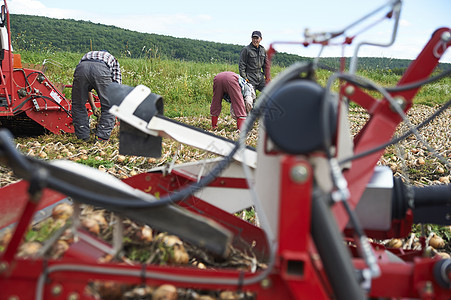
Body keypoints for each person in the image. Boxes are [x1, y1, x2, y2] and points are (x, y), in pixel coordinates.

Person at [71, 50, 122, 142]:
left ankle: (83, 137)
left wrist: (93, 107)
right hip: (101, 70)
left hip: (82, 68)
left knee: (78, 105)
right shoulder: (112, 59)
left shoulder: (88, 54)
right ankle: (101, 138)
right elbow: (116, 83)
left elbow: (87, 90)